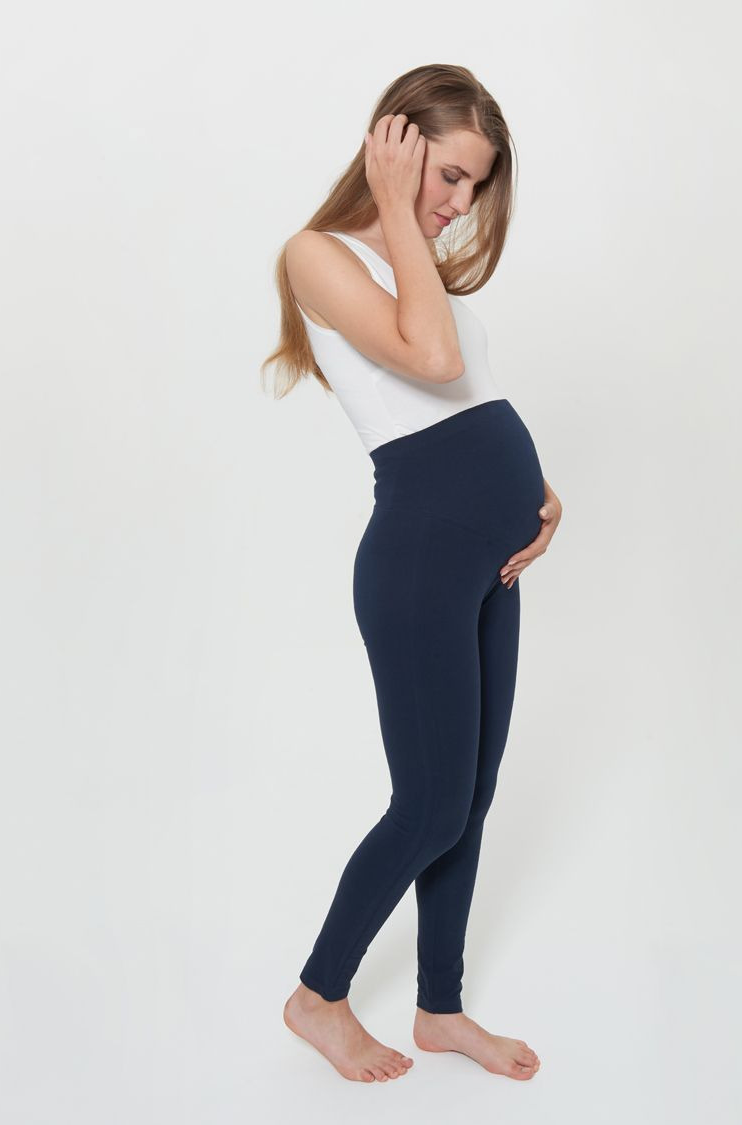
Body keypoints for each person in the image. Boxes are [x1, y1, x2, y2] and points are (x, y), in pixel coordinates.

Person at [261, 65, 560, 1083]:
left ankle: (441, 1009)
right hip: (422, 555)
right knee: (428, 803)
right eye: (449, 175)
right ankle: (318, 995)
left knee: (469, 798)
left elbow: (467, 390)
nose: (459, 203)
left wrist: (535, 489)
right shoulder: (318, 253)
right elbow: (428, 360)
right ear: (392, 145)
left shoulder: (414, 264)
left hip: (490, 561)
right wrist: (394, 206)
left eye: (476, 185)